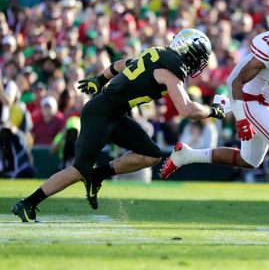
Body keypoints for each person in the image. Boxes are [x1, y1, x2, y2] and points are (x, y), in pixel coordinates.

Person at [12, 29, 225, 222]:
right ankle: (29, 202)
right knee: (79, 169)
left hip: (114, 114)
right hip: (100, 113)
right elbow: (186, 109)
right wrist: (213, 111)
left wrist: (99, 79)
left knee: (152, 154)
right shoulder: (171, 68)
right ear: (188, 51)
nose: (198, 65)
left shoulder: (157, 53)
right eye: (198, 59)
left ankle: (98, 175)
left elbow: (121, 64)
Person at [160, 0, 269, 226]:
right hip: (249, 99)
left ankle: (187, 155)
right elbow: (237, 84)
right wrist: (242, 119)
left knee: (250, 160)